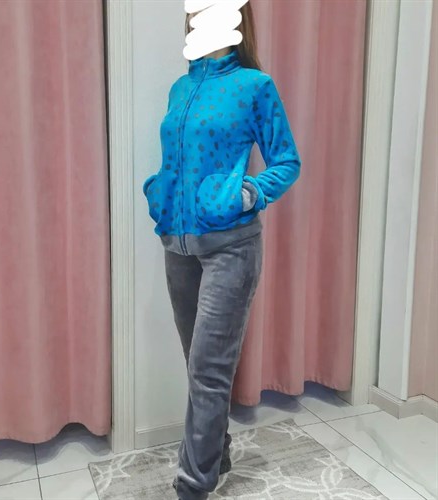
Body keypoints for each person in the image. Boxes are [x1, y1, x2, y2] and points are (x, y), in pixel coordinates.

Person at [142, 4, 301, 499]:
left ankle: (192, 486)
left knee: (209, 372)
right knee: (198, 366)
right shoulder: (180, 87)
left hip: (231, 247)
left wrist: (249, 192)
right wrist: (159, 190)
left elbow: (287, 161)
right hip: (177, 245)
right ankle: (219, 450)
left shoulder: (255, 86)